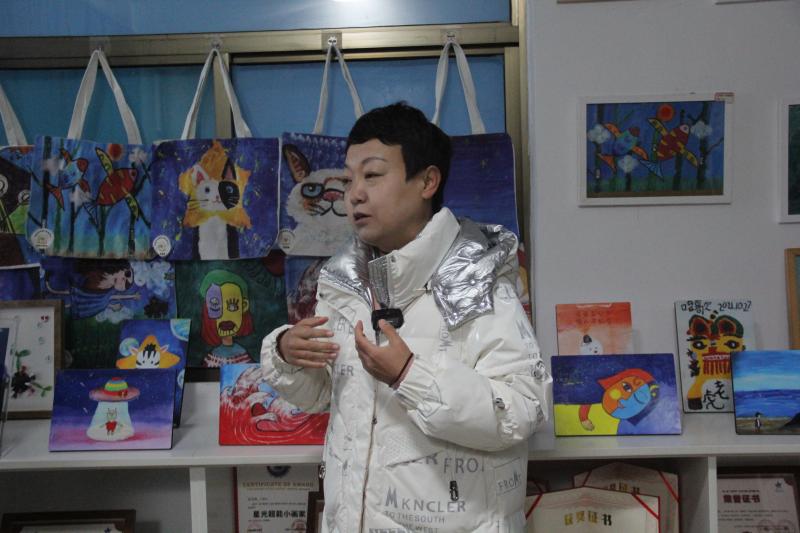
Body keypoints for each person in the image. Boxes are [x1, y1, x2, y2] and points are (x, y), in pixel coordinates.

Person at [261, 102, 552, 532]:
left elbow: (523, 409)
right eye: (349, 178)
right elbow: (325, 395)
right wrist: (289, 354)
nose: (354, 194)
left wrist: (410, 375)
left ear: (427, 181)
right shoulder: (343, 283)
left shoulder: (478, 280)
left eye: (373, 175)